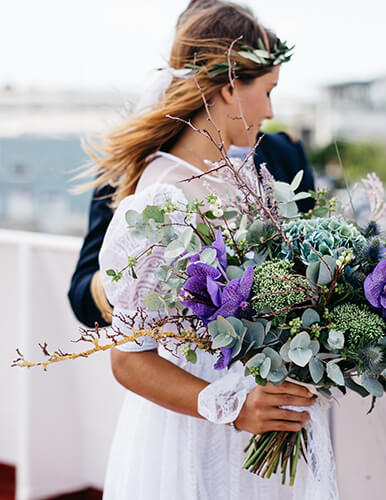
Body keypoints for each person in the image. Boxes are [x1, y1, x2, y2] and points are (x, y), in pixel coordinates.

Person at [82, 4, 335, 499]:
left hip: (260, 431)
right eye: (268, 91)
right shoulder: (163, 200)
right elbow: (128, 361)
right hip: (195, 436)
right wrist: (233, 407)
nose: (271, 111)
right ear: (229, 89)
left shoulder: (248, 179)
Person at [68, 0, 315, 329]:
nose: (270, 111)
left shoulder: (280, 156)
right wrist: (142, 268)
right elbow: (87, 298)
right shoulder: (141, 173)